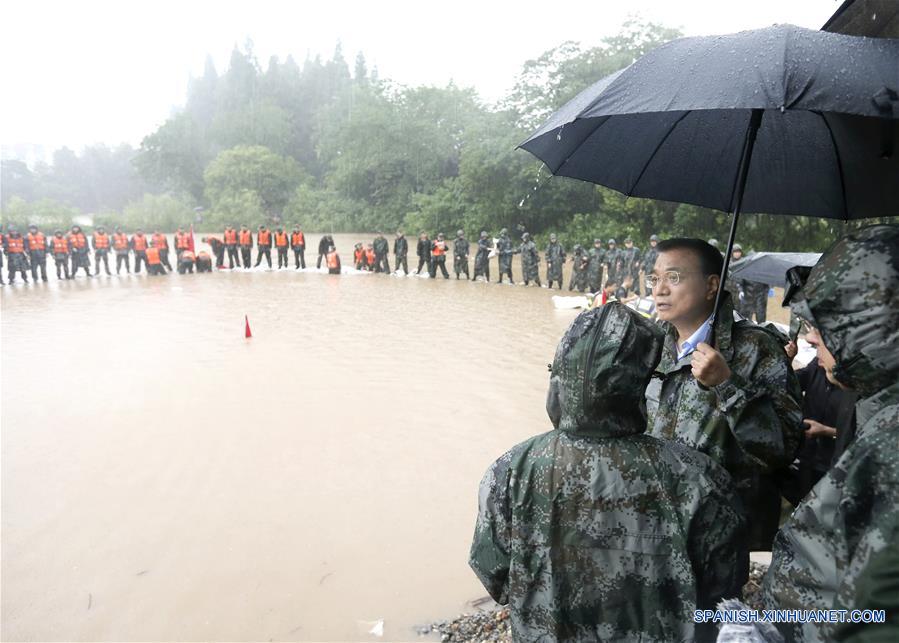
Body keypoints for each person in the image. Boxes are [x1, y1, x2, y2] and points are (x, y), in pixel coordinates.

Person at [470, 303, 748, 642]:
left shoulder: (510, 470)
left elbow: (494, 576)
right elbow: (722, 596)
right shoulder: (701, 479)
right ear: (642, 384)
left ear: (561, 376)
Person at [762, 225, 899, 642]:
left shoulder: (890, 447)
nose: (811, 336)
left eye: (830, 322)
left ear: (876, 327)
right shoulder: (879, 413)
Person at [644, 238, 803, 552]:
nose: (660, 290)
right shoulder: (650, 344)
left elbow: (783, 448)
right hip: (654, 528)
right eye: (654, 278)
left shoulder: (758, 349)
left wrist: (727, 385)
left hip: (720, 539)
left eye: (674, 277)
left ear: (711, 285)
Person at [781, 324, 859, 505]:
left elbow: (858, 433)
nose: (817, 355)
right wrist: (788, 360)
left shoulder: (856, 389)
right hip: (806, 453)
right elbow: (793, 383)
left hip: (830, 463)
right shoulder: (818, 365)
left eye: (821, 347)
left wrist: (826, 431)